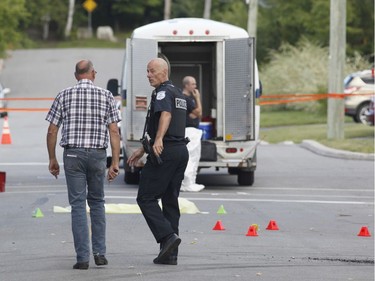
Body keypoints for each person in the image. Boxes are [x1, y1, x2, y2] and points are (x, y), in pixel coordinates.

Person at [46, 59, 121, 270]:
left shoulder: (63, 95)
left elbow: (52, 130)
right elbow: (114, 131)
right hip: (97, 155)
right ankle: (100, 252)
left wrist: (52, 158)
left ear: (76, 75)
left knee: (78, 205)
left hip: (73, 156)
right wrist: (114, 162)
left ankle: (82, 258)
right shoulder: (106, 96)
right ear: (93, 74)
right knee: (97, 202)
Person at [127, 58, 189, 266]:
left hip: (167, 152)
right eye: (147, 71)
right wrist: (140, 150)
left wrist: (159, 138)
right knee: (170, 200)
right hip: (180, 151)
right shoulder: (178, 93)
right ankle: (170, 254)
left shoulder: (162, 92)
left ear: (164, 72)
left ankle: (167, 237)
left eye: (152, 71)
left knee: (145, 197)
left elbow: (166, 115)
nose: (148, 75)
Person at [180, 76, 205, 192]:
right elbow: (199, 112)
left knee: (194, 157)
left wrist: (196, 113)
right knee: (191, 157)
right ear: (187, 85)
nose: (195, 87)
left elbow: (197, 115)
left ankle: (190, 182)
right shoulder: (187, 99)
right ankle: (187, 183)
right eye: (193, 84)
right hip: (189, 130)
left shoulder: (188, 99)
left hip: (190, 130)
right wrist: (198, 98)